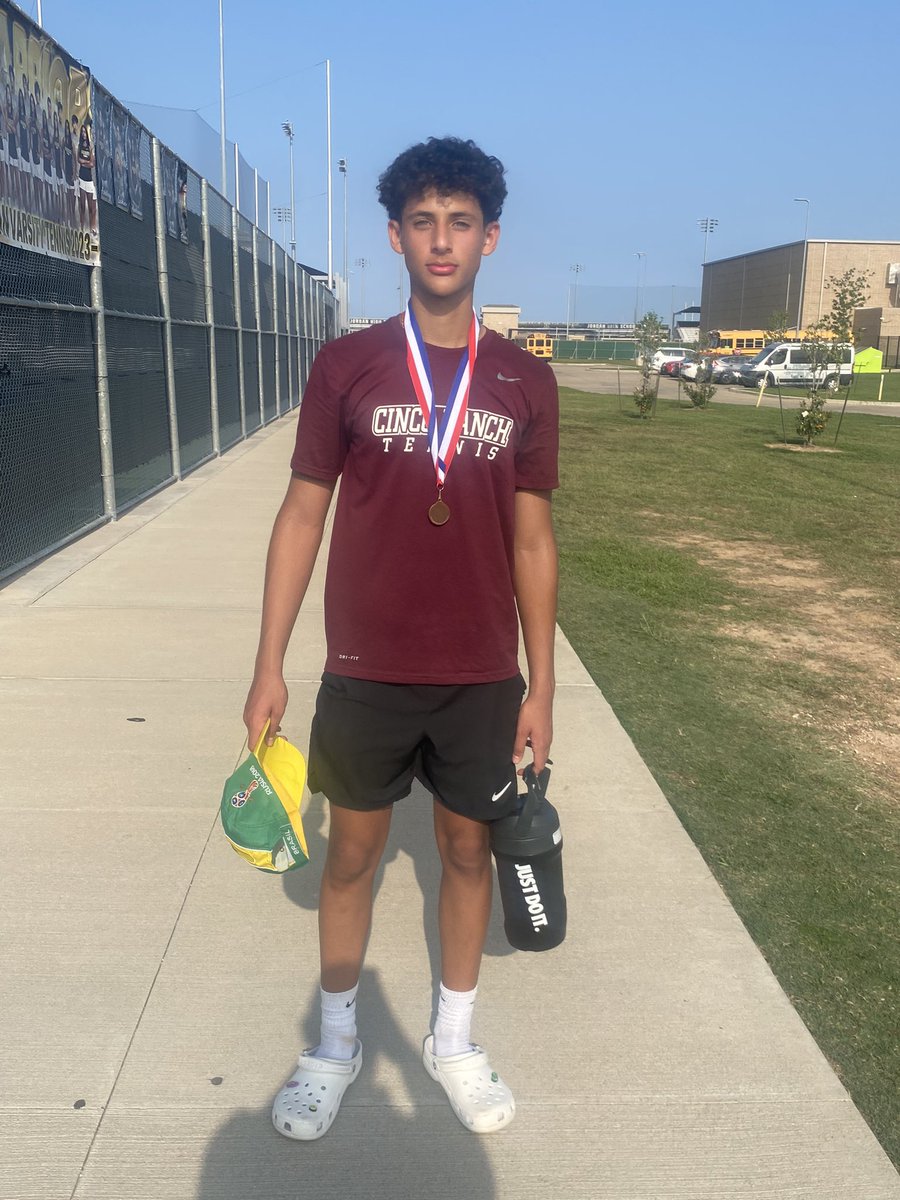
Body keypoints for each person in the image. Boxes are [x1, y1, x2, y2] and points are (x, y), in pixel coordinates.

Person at [243, 135, 559, 1141]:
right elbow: (301, 516)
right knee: (351, 860)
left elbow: (534, 539)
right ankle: (335, 1045)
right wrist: (268, 667)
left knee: (467, 854)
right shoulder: (347, 364)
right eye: (422, 220)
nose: (441, 239)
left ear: (491, 237)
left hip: (477, 674)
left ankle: (453, 1041)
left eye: (460, 220)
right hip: (365, 670)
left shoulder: (522, 382)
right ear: (394, 235)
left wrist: (541, 687)